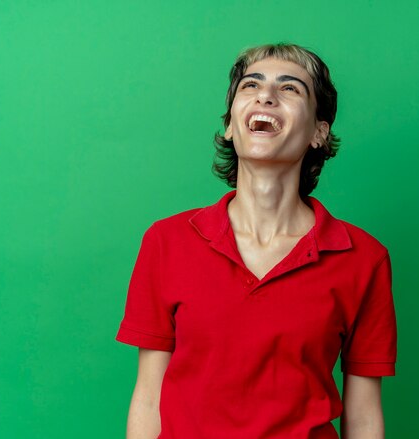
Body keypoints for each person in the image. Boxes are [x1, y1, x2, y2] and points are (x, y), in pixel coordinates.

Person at [116, 43, 397, 439]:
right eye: (251, 86)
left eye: (290, 89)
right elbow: (148, 397)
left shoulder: (364, 258)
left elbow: (364, 416)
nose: (266, 95)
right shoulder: (167, 241)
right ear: (231, 124)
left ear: (319, 131)